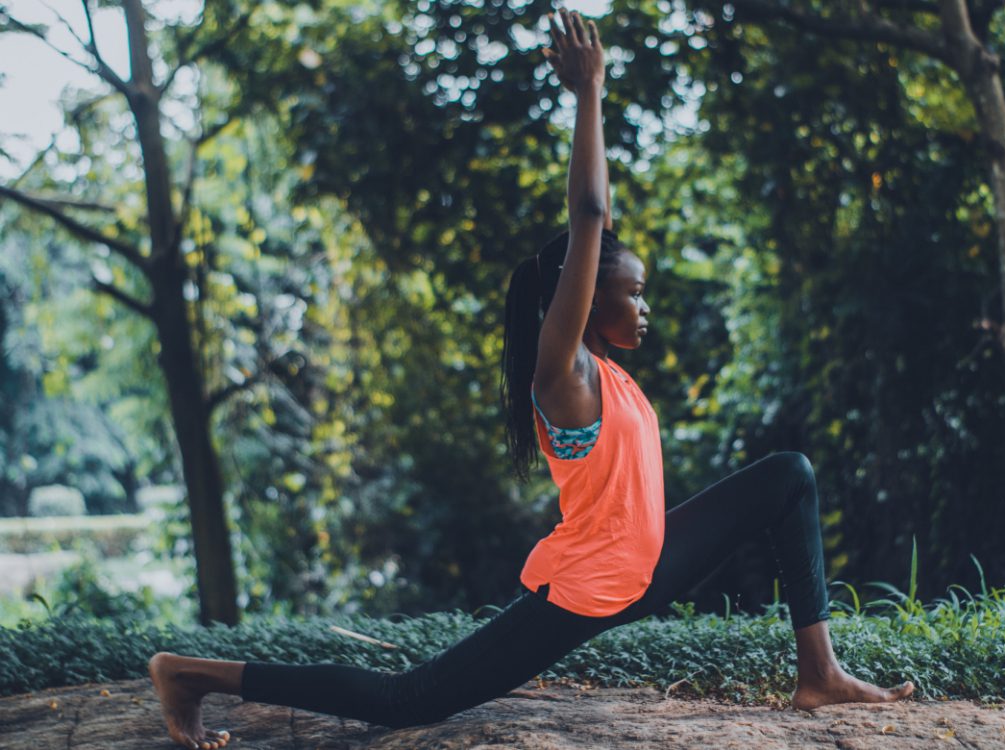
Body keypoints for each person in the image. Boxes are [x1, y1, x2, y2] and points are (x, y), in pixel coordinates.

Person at [147, 10, 914, 748]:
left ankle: (820, 671)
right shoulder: (565, 372)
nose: (644, 307)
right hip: (588, 589)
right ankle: (191, 675)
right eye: (633, 291)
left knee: (788, 476)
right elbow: (588, 213)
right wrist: (590, 96)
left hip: (647, 563)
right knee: (407, 701)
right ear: (584, 298)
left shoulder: (608, 372)